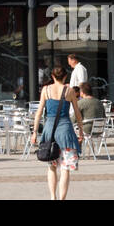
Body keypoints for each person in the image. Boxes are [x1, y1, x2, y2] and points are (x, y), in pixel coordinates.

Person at [30, 63, 83, 201]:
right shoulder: (70, 91)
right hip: (66, 131)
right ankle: (62, 199)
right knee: (65, 168)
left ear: (52, 76)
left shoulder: (45, 90)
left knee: (52, 167)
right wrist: (81, 131)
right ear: (65, 76)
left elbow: (39, 112)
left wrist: (35, 132)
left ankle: (53, 197)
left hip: (50, 130)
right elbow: (77, 113)